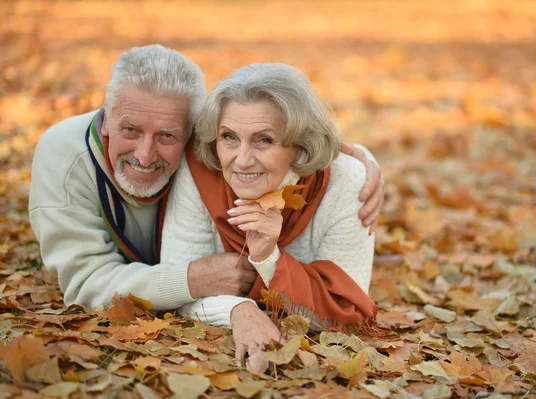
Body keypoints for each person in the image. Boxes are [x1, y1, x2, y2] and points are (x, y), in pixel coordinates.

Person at [28, 45, 384, 315]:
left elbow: (262, 122)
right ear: (105, 119)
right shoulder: (65, 156)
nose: (145, 155)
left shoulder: (211, 145)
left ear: (195, 132)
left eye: (167, 136)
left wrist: (352, 157)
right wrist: (192, 282)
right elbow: (85, 283)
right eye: (130, 130)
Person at [160, 63, 378, 366]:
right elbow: (178, 286)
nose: (243, 160)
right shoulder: (199, 170)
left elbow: (347, 315)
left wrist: (268, 258)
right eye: (229, 137)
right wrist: (239, 311)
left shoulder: (349, 183)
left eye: (264, 140)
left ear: (300, 146)